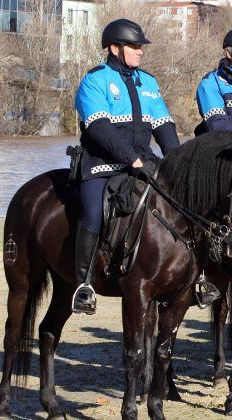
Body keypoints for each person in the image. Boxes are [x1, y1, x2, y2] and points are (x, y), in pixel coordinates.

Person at [73, 19, 180, 314]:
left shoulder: (150, 82)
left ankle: (195, 276)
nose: (140, 51)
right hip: (102, 164)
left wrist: (179, 163)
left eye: (140, 46)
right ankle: (84, 284)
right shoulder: (94, 79)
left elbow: (165, 127)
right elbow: (100, 129)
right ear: (114, 47)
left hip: (144, 162)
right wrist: (131, 159)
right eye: (134, 46)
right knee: (94, 214)